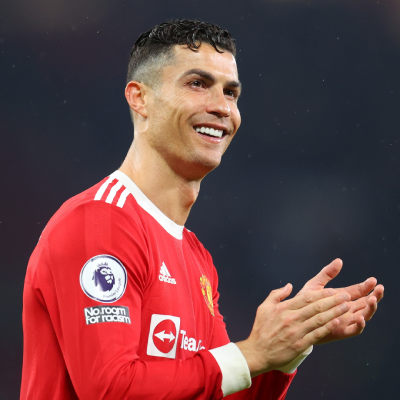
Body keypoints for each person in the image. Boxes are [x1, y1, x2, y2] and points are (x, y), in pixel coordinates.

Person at [20, 20, 384, 399]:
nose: (222, 107)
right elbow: (110, 389)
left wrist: (287, 348)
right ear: (140, 98)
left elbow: (214, 385)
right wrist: (253, 353)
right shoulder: (99, 223)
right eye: (197, 84)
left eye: (231, 93)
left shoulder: (196, 257)